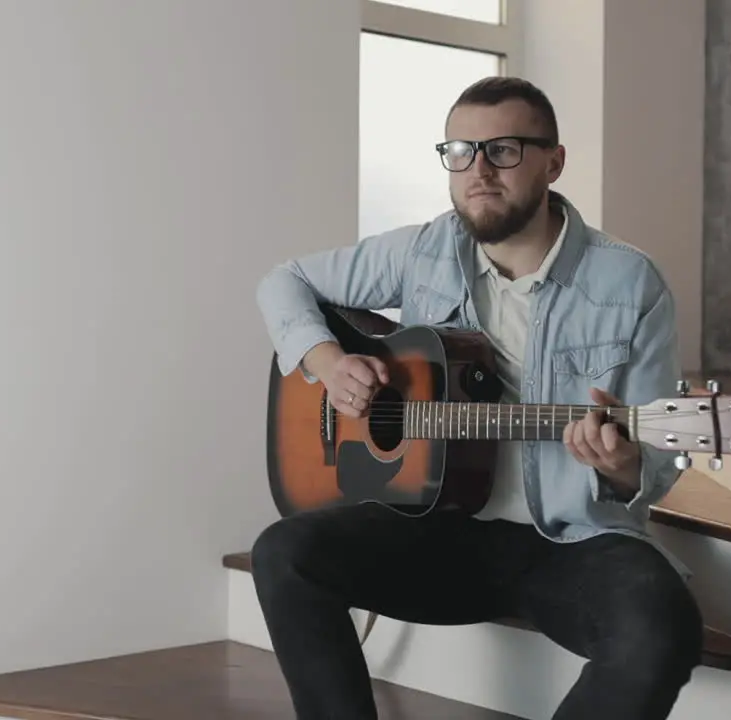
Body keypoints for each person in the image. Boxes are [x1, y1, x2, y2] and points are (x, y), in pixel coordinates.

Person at [251, 76, 702, 720]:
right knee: (284, 553)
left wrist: (620, 464)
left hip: (570, 540)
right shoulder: (424, 249)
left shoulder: (630, 281)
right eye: (461, 151)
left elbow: (653, 461)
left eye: (504, 150)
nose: (479, 170)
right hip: (438, 529)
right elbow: (283, 281)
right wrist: (329, 362)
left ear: (554, 160)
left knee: (663, 628)